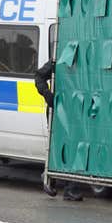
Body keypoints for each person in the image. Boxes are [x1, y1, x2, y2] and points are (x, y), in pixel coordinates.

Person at [35, 59, 84, 201]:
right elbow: (39, 76)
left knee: (72, 148)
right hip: (58, 109)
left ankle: (61, 183)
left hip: (75, 110)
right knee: (58, 146)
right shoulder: (60, 59)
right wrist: (47, 94)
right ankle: (53, 179)